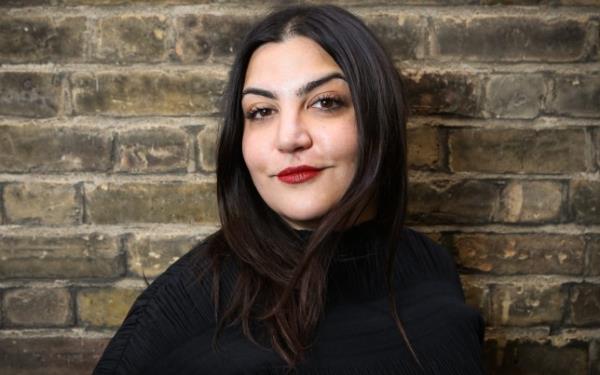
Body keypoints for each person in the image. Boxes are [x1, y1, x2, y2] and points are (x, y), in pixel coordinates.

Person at [93, 4, 485, 374]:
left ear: (376, 115)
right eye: (262, 112)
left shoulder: (429, 265)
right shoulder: (184, 306)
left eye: (325, 102)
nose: (289, 138)